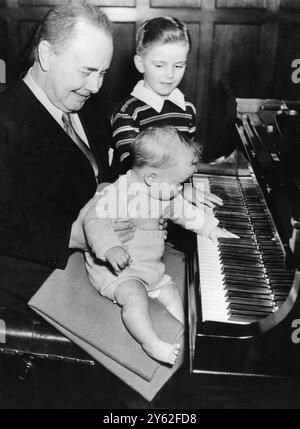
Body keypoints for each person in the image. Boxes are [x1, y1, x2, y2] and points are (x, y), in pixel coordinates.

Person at [0, 0, 138, 312]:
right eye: (87, 71)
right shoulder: (5, 119)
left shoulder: (87, 108)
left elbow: (102, 178)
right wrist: (71, 236)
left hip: (105, 264)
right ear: (47, 55)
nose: (95, 86)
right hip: (36, 285)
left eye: (102, 73)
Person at [83, 126, 237, 365]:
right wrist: (110, 248)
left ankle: (187, 335)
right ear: (152, 178)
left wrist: (210, 228)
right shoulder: (116, 194)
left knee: (172, 293)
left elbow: (184, 212)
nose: (180, 190)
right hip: (117, 273)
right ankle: (151, 342)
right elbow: (94, 221)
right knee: (135, 297)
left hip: (149, 268)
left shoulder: (162, 191)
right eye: (178, 184)